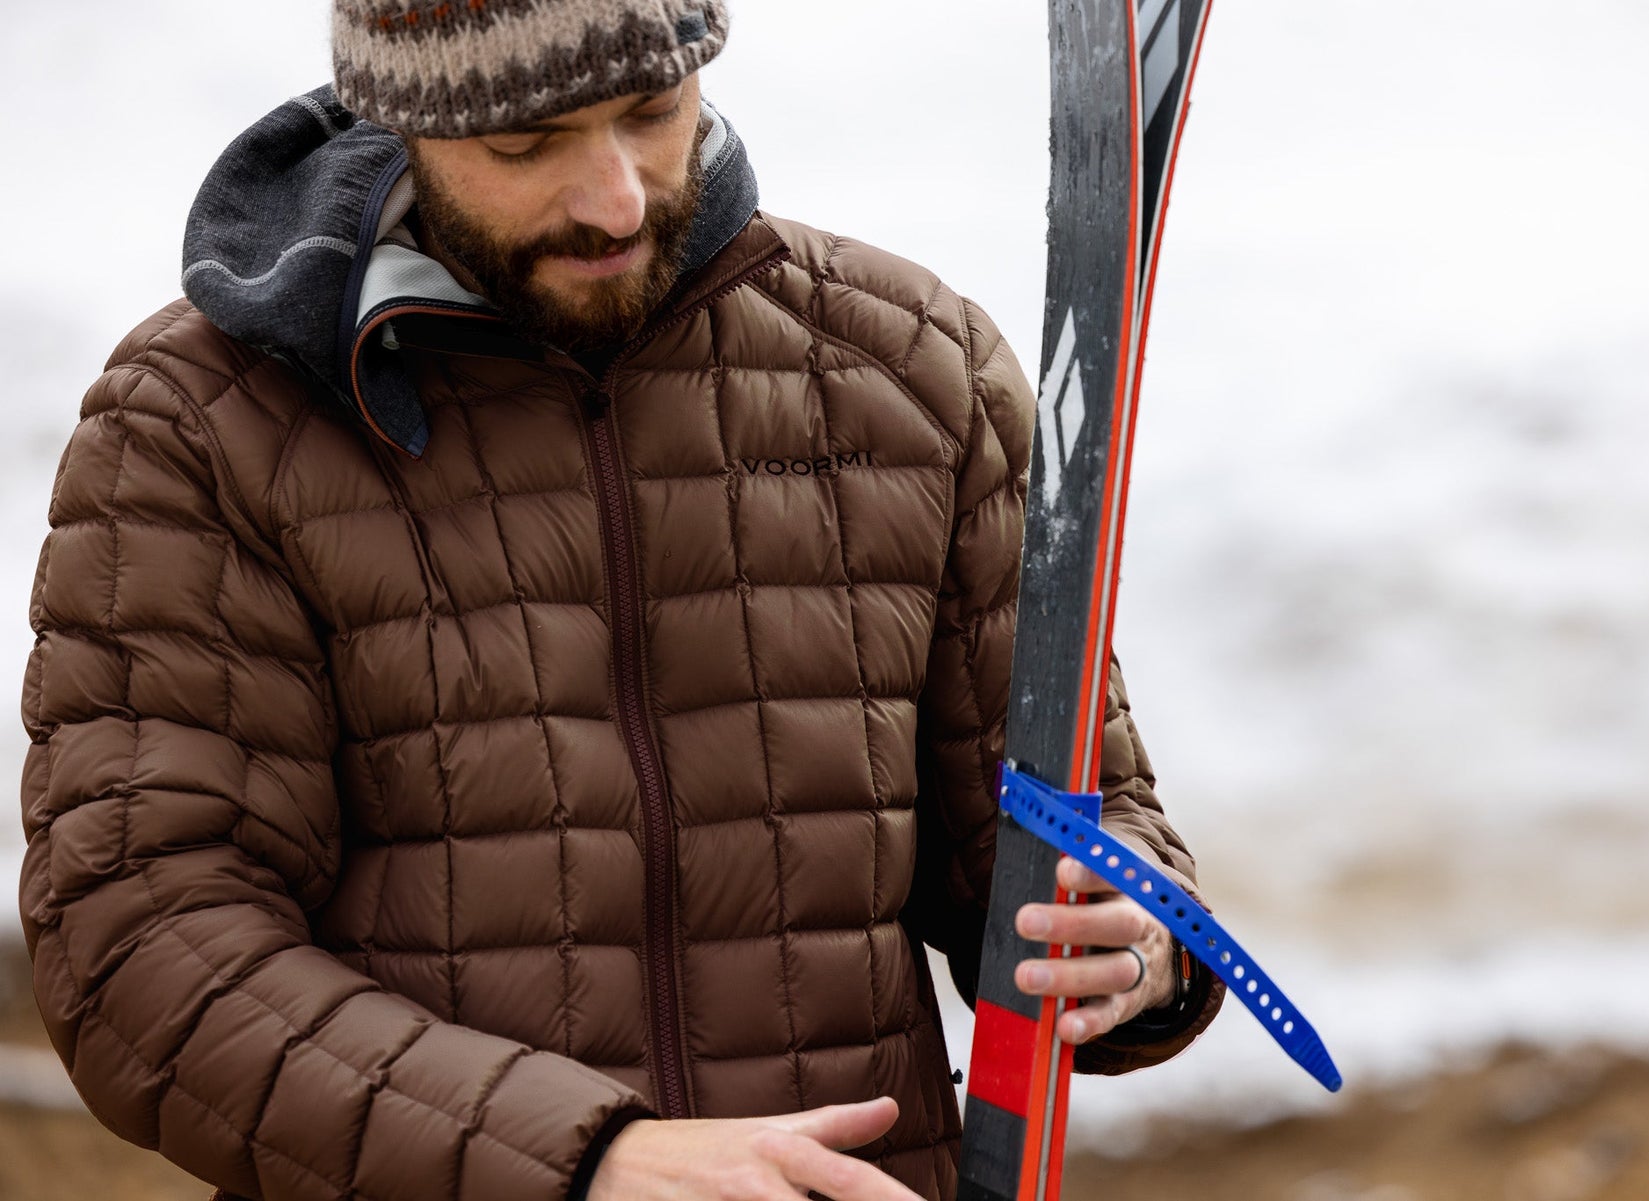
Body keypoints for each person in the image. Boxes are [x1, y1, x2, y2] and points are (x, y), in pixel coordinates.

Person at [17, 3, 1224, 1198]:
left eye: (653, 111)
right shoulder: (202, 429)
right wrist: (582, 1160)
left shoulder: (909, 372)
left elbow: (1066, 822)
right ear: (406, 117)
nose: (617, 200)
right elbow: (145, 946)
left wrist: (1138, 937)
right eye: (527, 142)